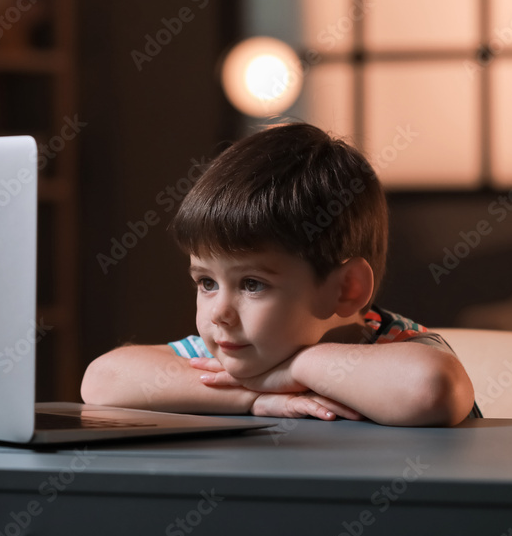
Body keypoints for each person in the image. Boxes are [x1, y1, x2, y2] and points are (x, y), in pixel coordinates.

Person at [81, 123, 480, 426]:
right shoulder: (233, 353)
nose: (219, 312)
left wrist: (295, 369)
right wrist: (255, 398)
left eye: (252, 284)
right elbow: (102, 381)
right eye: (206, 283)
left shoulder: (397, 346)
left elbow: (431, 389)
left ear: (347, 289)